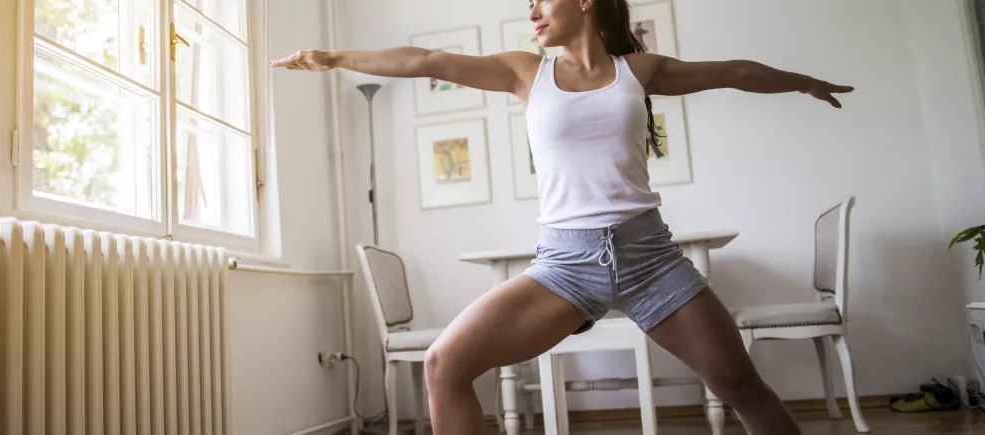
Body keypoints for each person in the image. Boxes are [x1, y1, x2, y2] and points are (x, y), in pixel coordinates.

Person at [270, 0, 853, 434]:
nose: (532, 11)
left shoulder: (639, 70)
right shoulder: (526, 72)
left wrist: (801, 82)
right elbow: (428, 60)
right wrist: (334, 57)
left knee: (739, 383)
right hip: (566, 264)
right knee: (445, 363)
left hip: (651, 260)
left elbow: (735, 71)